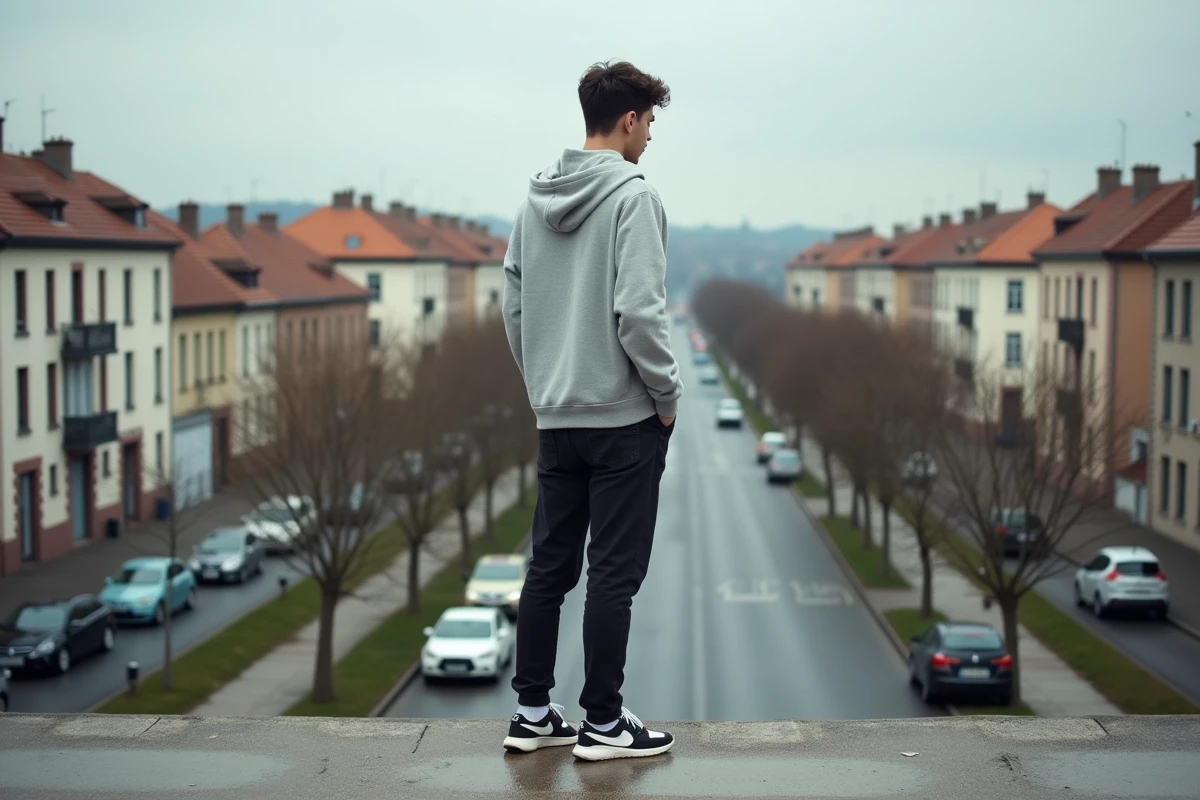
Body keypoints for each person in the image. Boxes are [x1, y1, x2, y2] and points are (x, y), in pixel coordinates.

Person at [499, 60, 682, 762]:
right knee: (613, 572)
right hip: (622, 419)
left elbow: (512, 305)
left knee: (548, 565)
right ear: (630, 119)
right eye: (651, 123)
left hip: (557, 419)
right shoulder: (635, 197)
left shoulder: (532, 200)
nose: (651, 138)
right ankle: (603, 724)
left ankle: (532, 711)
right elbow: (640, 312)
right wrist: (666, 396)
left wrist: (544, 384)